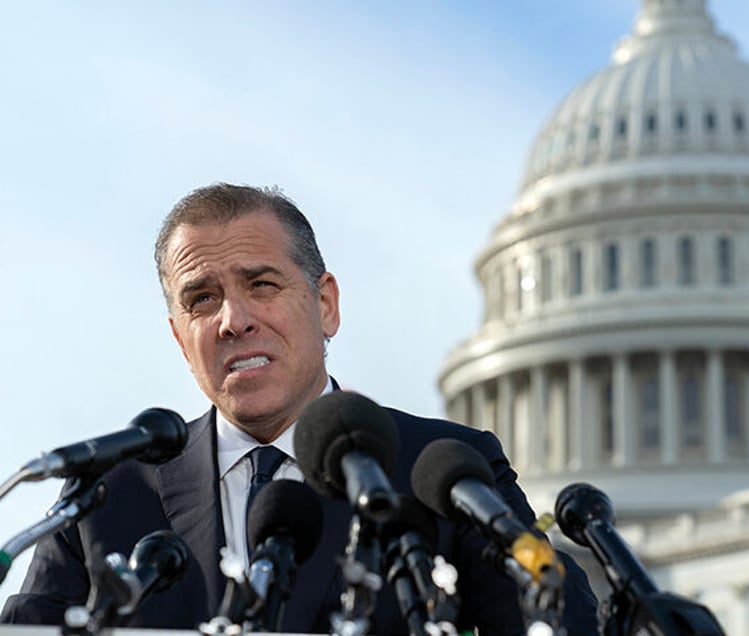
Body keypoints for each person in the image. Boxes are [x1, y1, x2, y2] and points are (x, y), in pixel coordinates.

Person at [1, 183, 598, 634]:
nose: (235, 320)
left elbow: (556, 617)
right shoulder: (105, 495)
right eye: (202, 299)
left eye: (261, 284)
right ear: (181, 339)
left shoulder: (445, 469)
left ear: (326, 304)